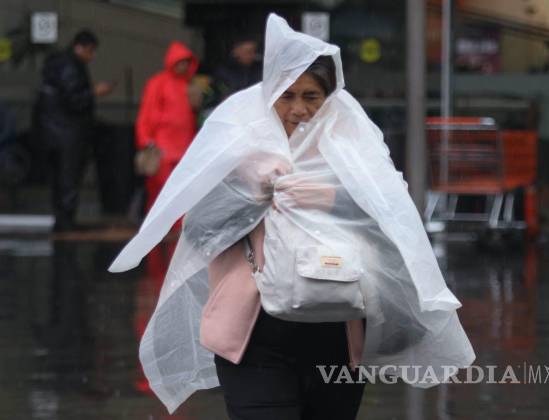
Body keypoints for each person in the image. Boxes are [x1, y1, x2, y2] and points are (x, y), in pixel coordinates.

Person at [109, 14, 474, 418]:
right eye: (287, 96)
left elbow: (392, 222)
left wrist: (334, 199)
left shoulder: (354, 145)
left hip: (338, 335)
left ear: (329, 97)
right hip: (253, 339)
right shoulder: (238, 141)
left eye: (312, 96)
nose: (299, 109)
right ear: (270, 95)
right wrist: (250, 194)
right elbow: (200, 231)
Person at [34, 30, 115, 232]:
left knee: (60, 179)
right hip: (68, 133)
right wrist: (94, 92)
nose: (92, 56)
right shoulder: (71, 67)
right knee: (68, 178)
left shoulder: (56, 66)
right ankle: (66, 221)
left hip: (53, 132)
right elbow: (73, 100)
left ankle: (62, 219)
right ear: (81, 47)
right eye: (91, 51)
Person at [135, 41, 200, 211]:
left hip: (184, 147)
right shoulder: (158, 83)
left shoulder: (191, 85)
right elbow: (146, 114)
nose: (183, 66)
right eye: (180, 62)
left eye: (186, 62)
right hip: (162, 147)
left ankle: (176, 225)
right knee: (160, 191)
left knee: (181, 192)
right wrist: (145, 140)